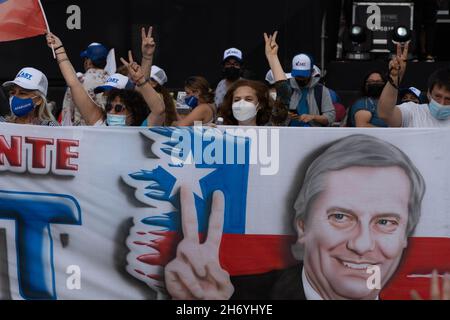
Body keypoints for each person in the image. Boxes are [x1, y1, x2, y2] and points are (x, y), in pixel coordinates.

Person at [164, 134, 426, 300]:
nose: (361, 244)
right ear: (303, 226)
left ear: (406, 235)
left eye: (385, 222)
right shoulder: (234, 298)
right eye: (340, 217)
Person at [46, 32, 166, 127]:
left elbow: (159, 110)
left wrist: (146, 61)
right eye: (108, 107)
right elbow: (74, 84)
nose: (111, 112)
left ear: (133, 109)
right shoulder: (101, 123)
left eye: (118, 108)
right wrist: (59, 50)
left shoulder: (142, 130)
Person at [264, 32, 336, 127]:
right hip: (287, 131)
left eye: (303, 75)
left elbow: (330, 117)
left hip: (313, 134)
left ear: (311, 72)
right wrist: (285, 114)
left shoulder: (321, 90)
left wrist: (313, 117)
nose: (300, 78)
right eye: (298, 75)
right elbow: (274, 113)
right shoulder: (287, 87)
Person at [378, 43, 450, 128]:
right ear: (428, 94)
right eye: (438, 96)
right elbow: (385, 114)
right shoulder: (412, 111)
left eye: (448, 99)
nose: (441, 103)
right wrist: (394, 78)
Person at [61, 42, 109, 126]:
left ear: (89, 61)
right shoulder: (113, 81)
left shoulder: (78, 81)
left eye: (86, 58)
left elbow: (67, 113)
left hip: (81, 133)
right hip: (107, 131)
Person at [218, 79, 288, 126]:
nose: (241, 103)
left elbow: (284, 92)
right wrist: (208, 131)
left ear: (260, 104)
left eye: (248, 99)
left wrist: (272, 58)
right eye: (237, 100)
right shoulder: (221, 133)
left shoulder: (268, 133)